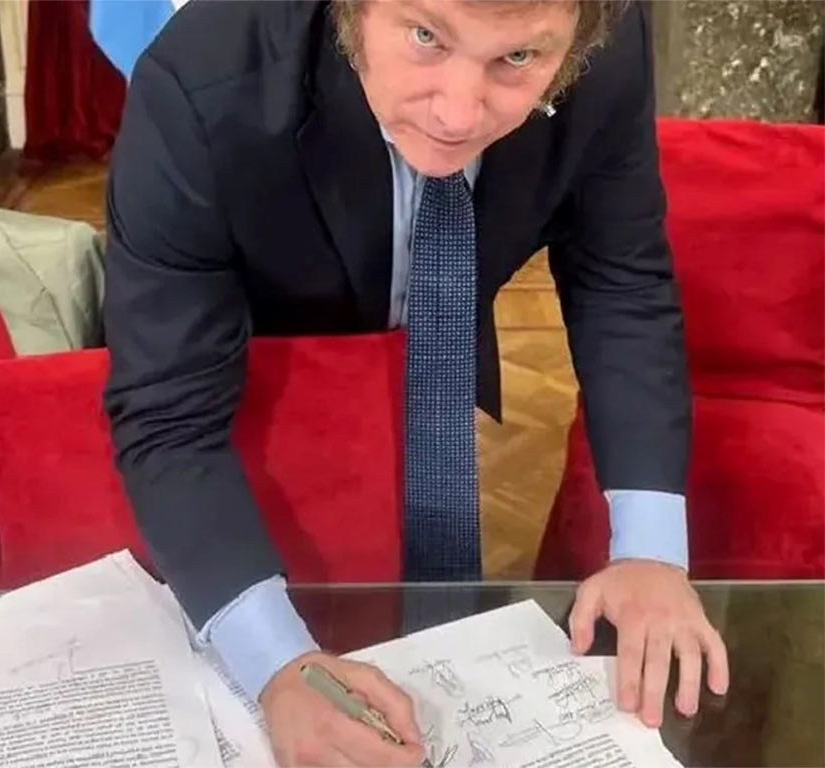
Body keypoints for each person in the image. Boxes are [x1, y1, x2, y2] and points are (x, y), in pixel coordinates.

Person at [100, 1, 731, 765]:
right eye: (426, 37)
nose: (458, 115)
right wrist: (279, 666)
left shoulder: (606, 35)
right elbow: (169, 415)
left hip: (438, 340)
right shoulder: (199, 82)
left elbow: (620, 280)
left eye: (517, 60)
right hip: (252, 385)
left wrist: (651, 551)